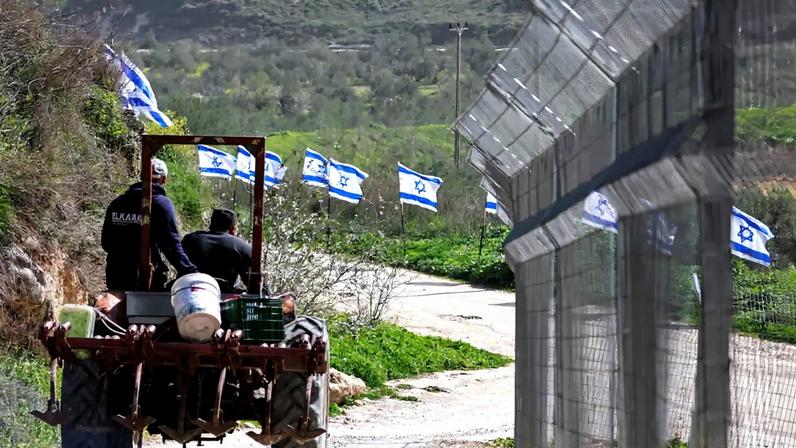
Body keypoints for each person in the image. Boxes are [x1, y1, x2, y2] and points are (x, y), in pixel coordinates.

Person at [101, 158, 197, 291]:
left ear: (142, 177)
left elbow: (106, 242)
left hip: (116, 273)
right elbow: (170, 244)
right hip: (145, 276)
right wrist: (189, 271)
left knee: (119, 308)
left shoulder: (118, 202)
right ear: (163, 180)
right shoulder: (161, 204)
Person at [182, 208, 253, 293]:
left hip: (188, 291)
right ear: (233, 228)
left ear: (211, 224)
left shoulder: (190, 239)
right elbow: (251, 282)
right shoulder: (241, 246)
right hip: (223, 296)